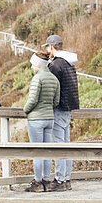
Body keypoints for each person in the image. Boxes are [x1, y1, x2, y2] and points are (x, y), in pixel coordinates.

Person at [45, 34, 79, 191]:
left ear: (52, 47)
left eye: (47, 47)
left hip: (58, 108)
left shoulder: (55, 65)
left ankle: (59, 180)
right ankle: (66, 179)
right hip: (69, 107)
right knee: (66, 144)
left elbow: (51, 88)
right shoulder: (69, 63)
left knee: (59, 145)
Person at [23, 51, 60, 192]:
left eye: (33, 64)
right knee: (47, 152)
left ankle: (37, 183)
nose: (32, 67)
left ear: (37, 64)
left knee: (37, 152)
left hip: (36, 119)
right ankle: (47, 182)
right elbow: (56, 101)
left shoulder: (37, 79)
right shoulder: (53, 79)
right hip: (50, 118)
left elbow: (32, 100)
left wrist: (25, 110)